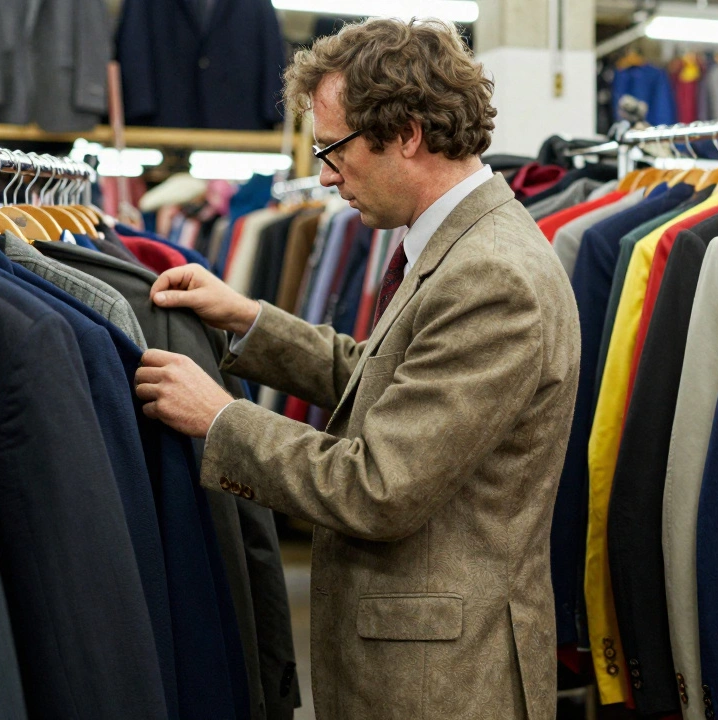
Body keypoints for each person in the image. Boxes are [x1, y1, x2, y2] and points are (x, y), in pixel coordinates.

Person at [133, 17, 580, 720]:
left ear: (405, 133)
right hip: (419, 662)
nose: (325, 175)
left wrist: (221, 419)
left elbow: (379, 485)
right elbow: (385, 382)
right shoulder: (458, 246)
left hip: (441, 683)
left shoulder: (492, 275)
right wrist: (249, 320)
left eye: (333, 150)